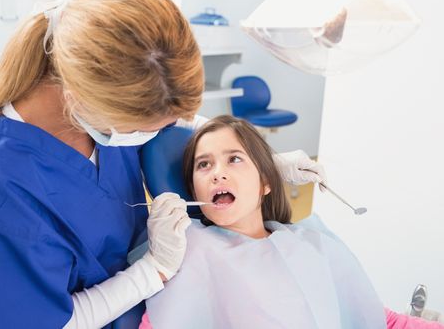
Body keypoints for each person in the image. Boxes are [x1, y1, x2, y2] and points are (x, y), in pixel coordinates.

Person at [0, 0, 327, 328]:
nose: (164, 131)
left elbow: (180, 118)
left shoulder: (104, 117)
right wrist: (153, 269)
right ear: (81, 99)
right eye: (149, 126)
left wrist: (267, 162)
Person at [138, 115, 444, 329]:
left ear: (266, 181)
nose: (217, 173)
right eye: (203, 165)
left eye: (234, 159)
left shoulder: (312, 242)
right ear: (194, 190)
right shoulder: (187, 253)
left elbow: (377, 320)